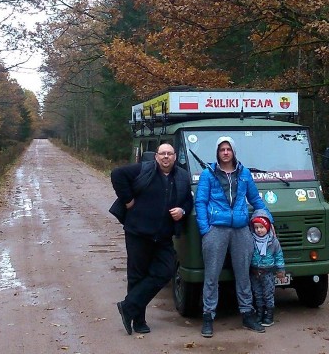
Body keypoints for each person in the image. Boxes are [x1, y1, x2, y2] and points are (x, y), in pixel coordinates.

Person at [111, 142, 192, 335]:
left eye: (169, 154)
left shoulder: (182, 176)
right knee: (137, 275)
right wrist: (128, 200)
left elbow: (188, 199)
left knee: (166, 270)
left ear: (175, 157)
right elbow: (117, 175)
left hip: (163, 235)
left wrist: (182, 210)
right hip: (138, 232)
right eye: (162, 154)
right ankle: (138, 321)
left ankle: (128, 306)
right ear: (156, 156)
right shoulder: (144, 169)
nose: (166, 157)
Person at [195, 136, 272, 337]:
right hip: (216, 229)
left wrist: (267, 220)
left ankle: (247, 314)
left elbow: (255, 200)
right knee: (212, 275)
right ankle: (208, 316)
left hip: (240, 229)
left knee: (243, 274)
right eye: (222, 149)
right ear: (217, 153)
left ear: (234, 152)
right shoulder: (208, 174)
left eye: (229, 149)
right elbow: (200, 202)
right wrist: (205, 229)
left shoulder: (244, 174)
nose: (226, 153)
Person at [249, 210, 285, 327]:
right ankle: (259, 314)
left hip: (267, 272)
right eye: (256, 227)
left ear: (268, 227)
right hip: (254, 272)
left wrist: (280, 270)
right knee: (258, 294)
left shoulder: (273, 242)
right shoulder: (251, 240)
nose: (259, 230)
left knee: (268, 294)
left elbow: (279, 256)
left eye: (262, 227)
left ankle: (269, 316)